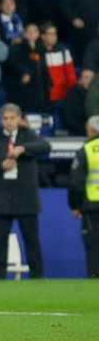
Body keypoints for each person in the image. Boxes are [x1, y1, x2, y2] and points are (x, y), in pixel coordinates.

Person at [0, 103, 51, 279]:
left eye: (13, 118)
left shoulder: (28, 136)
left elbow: (45, 146)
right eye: (5, 119)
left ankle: (37, 276)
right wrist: (0, 166)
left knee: (31, 239)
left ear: (19, 119)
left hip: (26, 196)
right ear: (1, 120)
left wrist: (24, 149)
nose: (9, 122)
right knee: (0, 240)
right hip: (3, 196)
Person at [69, 116, 99, 277]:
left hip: (94, 206)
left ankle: (96, 284)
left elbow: (76, 182)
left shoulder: (87, 150)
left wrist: (75, 205)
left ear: (91, 131)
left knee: (94, 246)